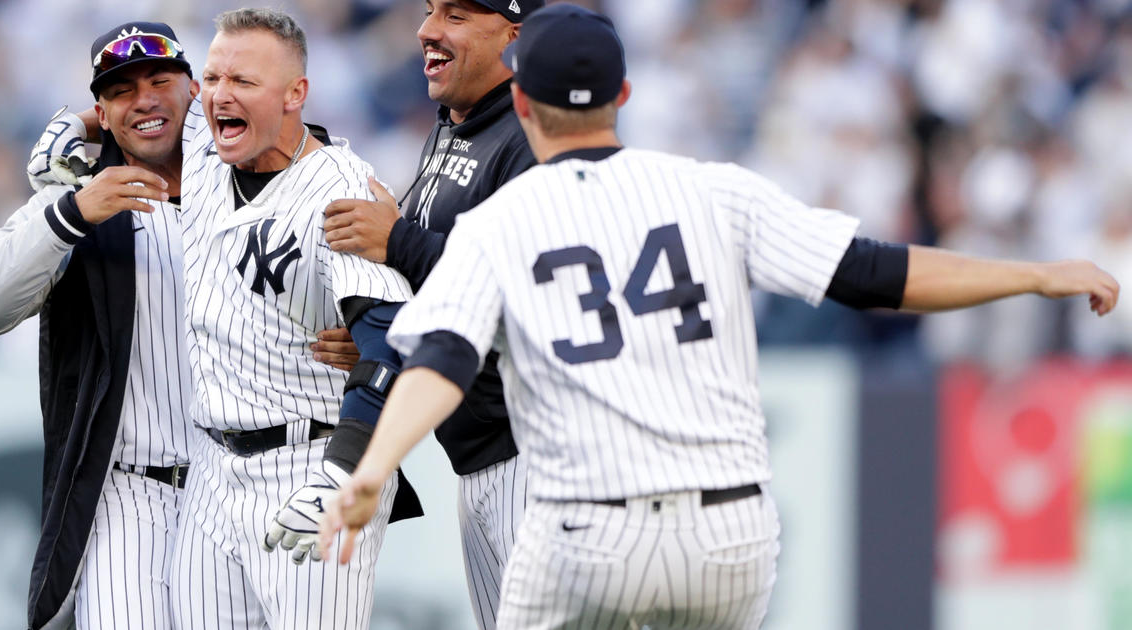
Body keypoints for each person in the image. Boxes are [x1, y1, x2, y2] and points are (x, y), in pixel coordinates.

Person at [319, 4, 1121, 629]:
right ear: (624, 97)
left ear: (521, 101)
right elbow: (876, 274)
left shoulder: (504, 219)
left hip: (585, 530)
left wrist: (374, 463)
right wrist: (1035, 273)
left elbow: (443, 362)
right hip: (731, 535)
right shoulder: (713, 188)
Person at [168, 8, 420, 630]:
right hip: (210, 469)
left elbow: (390, 343)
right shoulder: (204, 145)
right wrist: (78, 123)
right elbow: (139, 107)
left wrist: (342, 472)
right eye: (212, 78)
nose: (220, 94)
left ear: (294, 94)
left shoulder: (341, 189)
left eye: (244, 82)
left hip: (308, 457)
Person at [0, 22, 196, 630]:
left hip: (239, 483)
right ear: (104, 113)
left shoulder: (253, 193)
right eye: (120, 91)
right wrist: (71, 212)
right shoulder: (76, 201)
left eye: (160, 80)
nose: (144, 98)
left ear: (196, 89)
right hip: (128, 495)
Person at [318, 2, 542, 627]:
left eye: (458, 14)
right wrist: (384, 342)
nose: (427, 30)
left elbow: (523, 296)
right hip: (478, 462)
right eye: (427, 10)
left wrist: (399, 242)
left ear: (513, 34)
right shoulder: (454, 124)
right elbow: (450, 301)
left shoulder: (530, 135)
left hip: (534, 459)